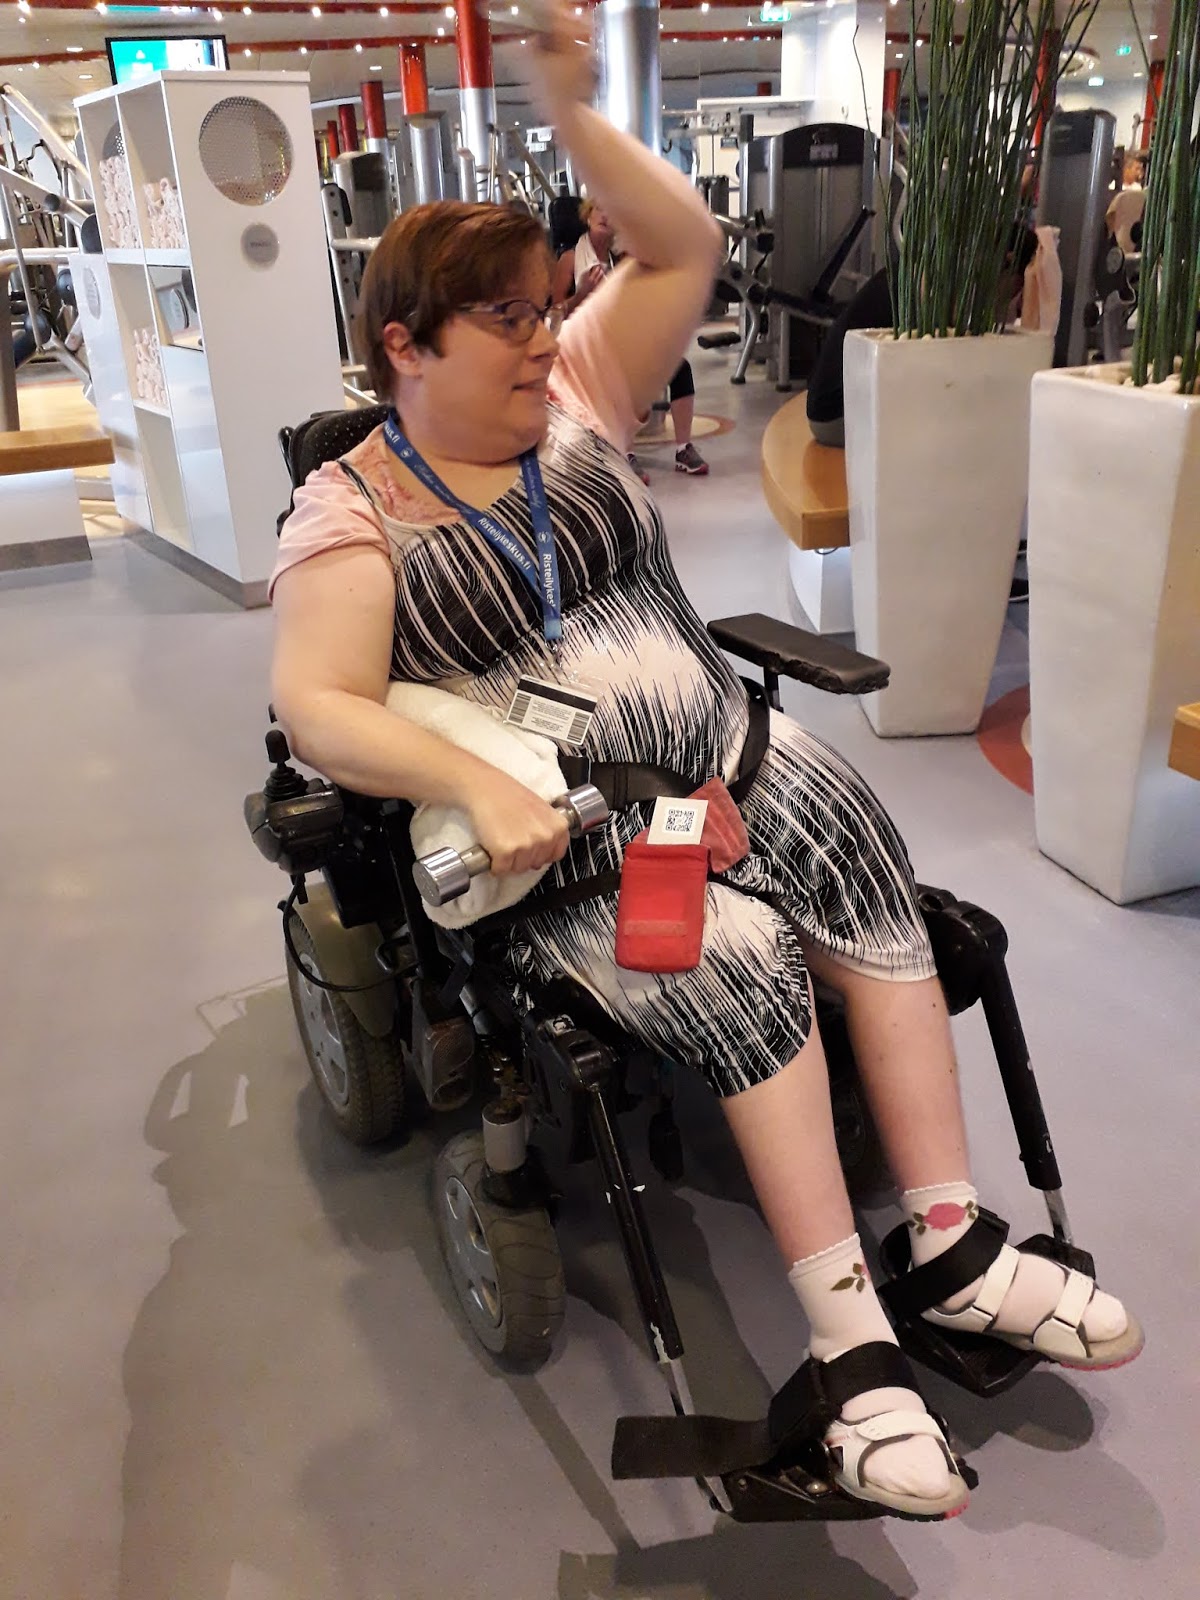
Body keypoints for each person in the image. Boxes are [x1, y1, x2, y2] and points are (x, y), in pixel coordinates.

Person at [269, 4, 1141, 1523]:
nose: (545, 339)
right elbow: (321, 703)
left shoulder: (574, 399)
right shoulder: (354, 509)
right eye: (508, 322)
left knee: (867, 862)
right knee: (733, 960)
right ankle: (848, 1344)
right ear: (405, 346)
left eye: (549, 308)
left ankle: (945, 1239)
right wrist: (477, 785)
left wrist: (574, 118)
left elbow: (683, 247)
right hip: (575, 841)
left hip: (729, 758)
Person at [553, 198, 710, 476]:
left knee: (679, 366)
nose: (605, 216)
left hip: (620, 339)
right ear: (587, 216)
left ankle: (683, 448)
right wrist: (582, 293)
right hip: (584, 345)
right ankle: (625, 452)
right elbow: (554, 316)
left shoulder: (623, 259)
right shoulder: (569, 260)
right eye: (599, 209)